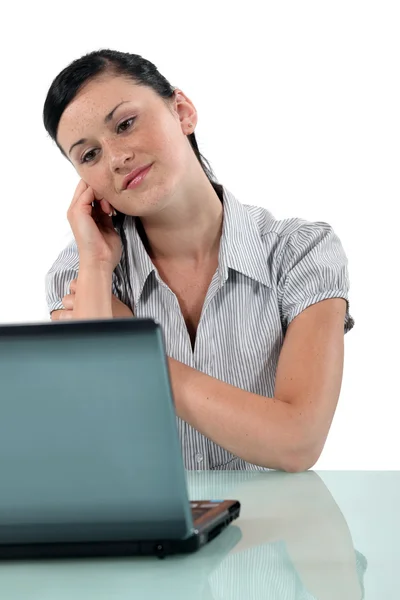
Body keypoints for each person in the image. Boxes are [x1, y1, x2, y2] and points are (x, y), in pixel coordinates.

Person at [43, 49, 354, 473]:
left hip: (282, 533)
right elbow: (106, 449)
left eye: (126, 124)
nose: (116, 158)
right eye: (89, 155)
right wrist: (96, 267)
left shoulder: (301, 251)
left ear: (182, 111)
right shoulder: (83, 273)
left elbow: (298, 442)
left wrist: (134, 355)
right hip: (151, 536)